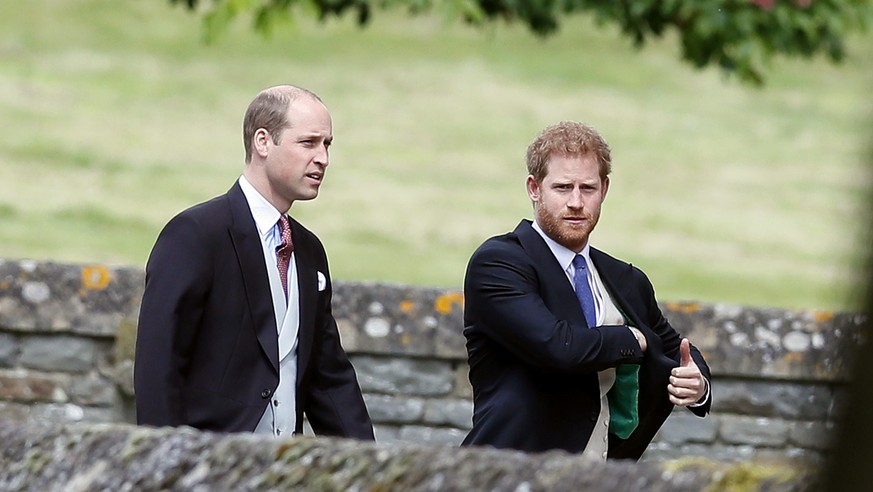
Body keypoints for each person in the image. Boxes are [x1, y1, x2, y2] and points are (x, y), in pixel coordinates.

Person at [134, 85, 374, 440]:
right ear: (263, 141)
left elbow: (328, 378)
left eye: (327, 144)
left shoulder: (308, 252)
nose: (323, 158)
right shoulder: (196, 235)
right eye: (308, 143)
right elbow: (158, 365)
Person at [461, 121, 711, 460]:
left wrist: (697, 384)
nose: (576, 202)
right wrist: (632, 340)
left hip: (603, 474)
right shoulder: (500, 263)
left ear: (604, 190)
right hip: (509, 471)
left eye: (587, 188)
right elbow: (558, 347)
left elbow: (675, 348)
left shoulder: (626, 279)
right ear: (534, 188)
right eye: (563, 188)